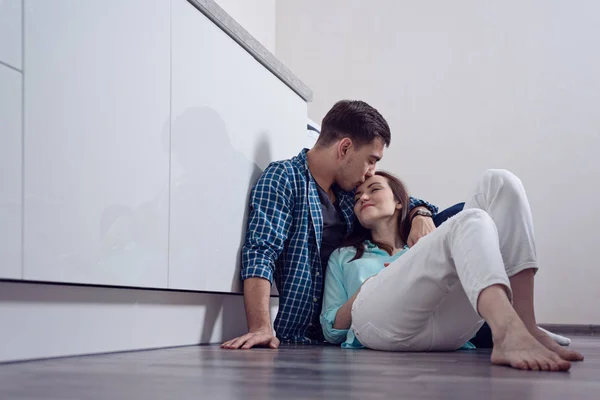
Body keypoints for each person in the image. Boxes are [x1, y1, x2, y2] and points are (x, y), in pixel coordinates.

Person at [221, 100, 439, 349]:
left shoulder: (351, 193)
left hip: (353, 335)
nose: (371, 172)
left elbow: (397, 196)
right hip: (303, 336)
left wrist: (421, 213)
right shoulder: (284, 178)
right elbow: (261, 251)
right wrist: (261, 327)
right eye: (371, 160)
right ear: (345, 148)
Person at [321, 169, 585, 371]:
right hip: (380, 325)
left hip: (450, 329)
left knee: (499, 181)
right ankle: (507, 332)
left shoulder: (426, 244)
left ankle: (526, 325)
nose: (363, 197)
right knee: (470, 219)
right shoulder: (343, 257)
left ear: (401, 202)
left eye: (373, 189)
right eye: (357, 197)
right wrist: (376, 283)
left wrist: (421, 217)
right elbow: (331, 328)